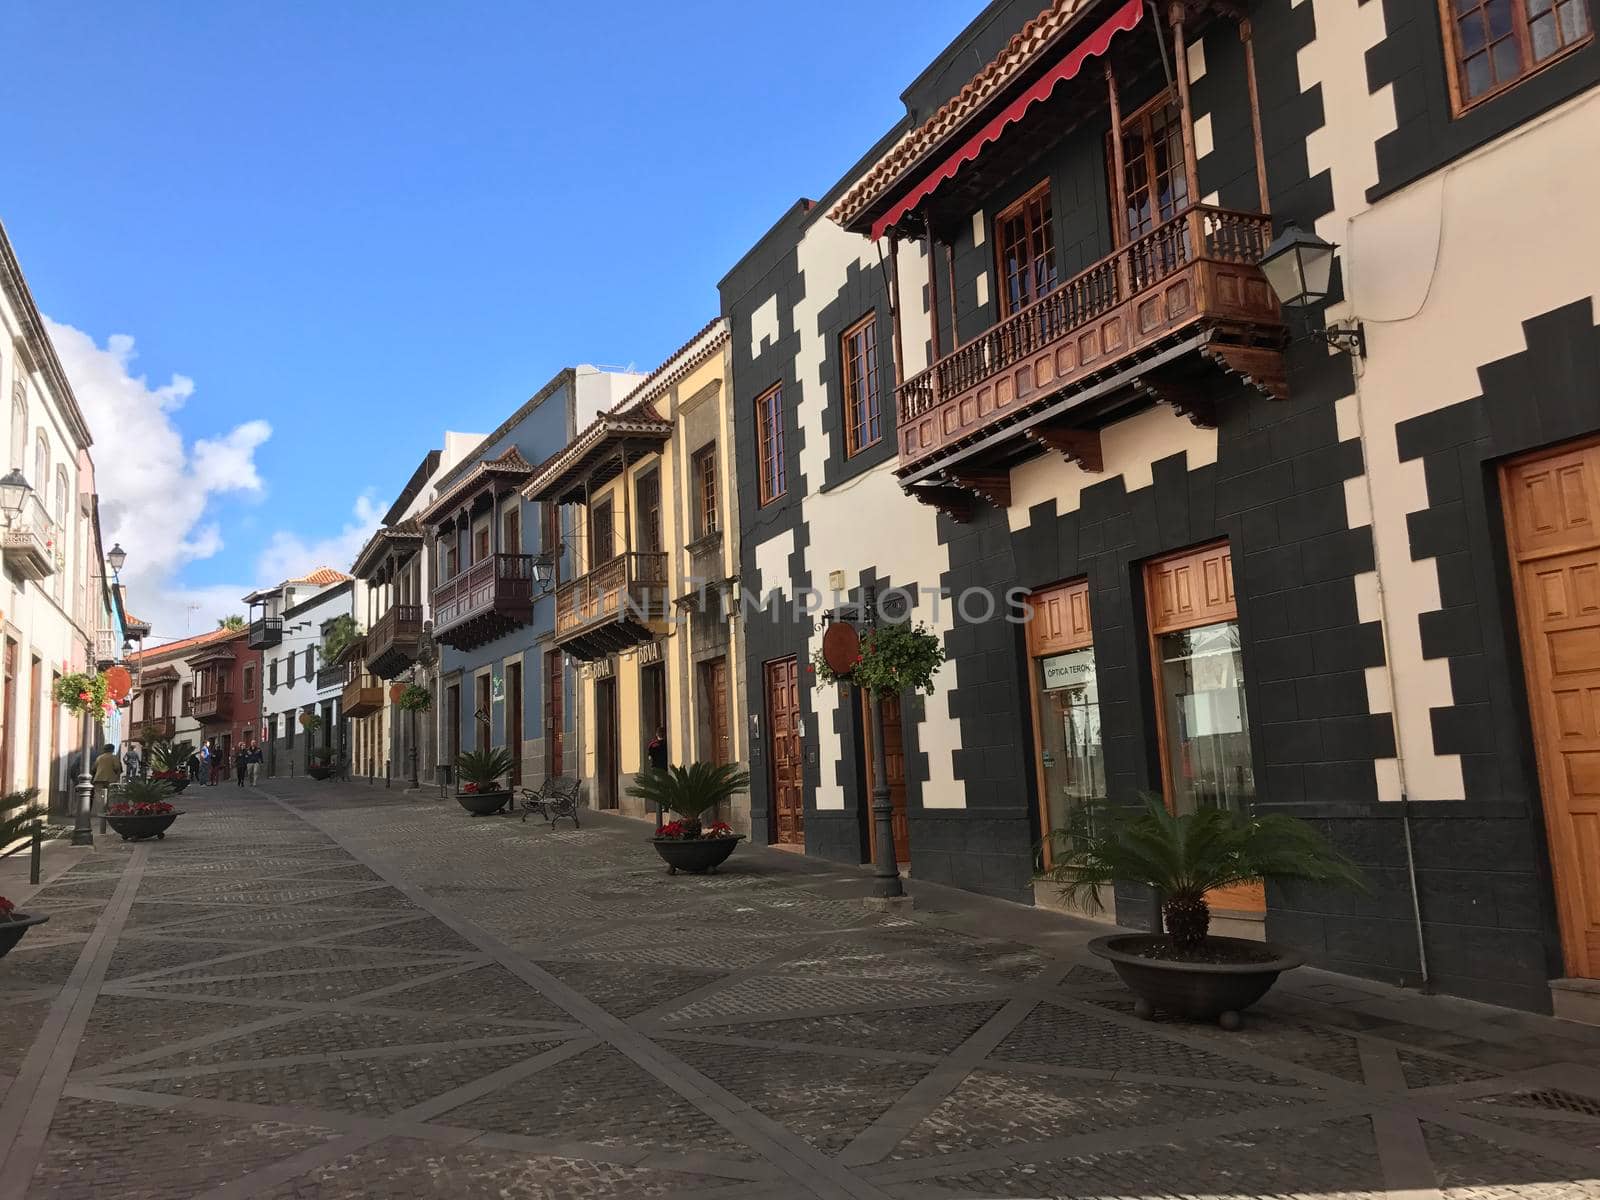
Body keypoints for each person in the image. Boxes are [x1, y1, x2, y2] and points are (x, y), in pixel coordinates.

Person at [92, 742, 122, 810]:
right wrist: (117, 777)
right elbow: (117, 767)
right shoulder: (114, 757)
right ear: (112, 750)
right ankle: (108, 810)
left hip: (98, 779)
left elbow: (94, 768)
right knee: (110, 795)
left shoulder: (99, 757)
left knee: (98, 796)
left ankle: (99, 810)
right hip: (110, 779)